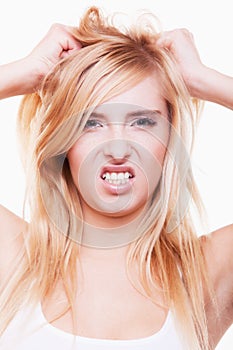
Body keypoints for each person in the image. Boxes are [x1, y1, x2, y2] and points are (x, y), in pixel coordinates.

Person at [0, 6, 232, 350]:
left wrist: (206, 80)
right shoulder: (13, 259)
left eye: (143, 122)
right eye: (91, 123)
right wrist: (23, 72)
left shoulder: (206, 273)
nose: (117, 147)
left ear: (170, 137)